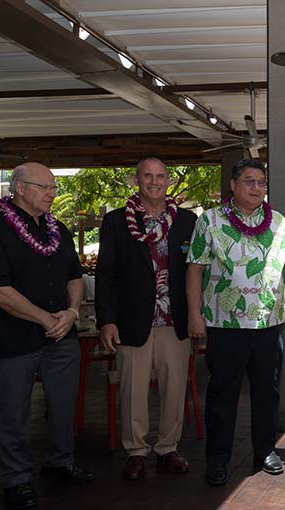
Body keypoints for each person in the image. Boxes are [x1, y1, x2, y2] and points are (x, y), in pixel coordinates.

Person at [0, 163, 95, 510]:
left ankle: (59, 463)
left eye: (53, 188)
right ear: (19, 189)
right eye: (44, 187)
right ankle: (15, 481)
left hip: (61, 335)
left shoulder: (56, 229)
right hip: (14, 339)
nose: (51, 193)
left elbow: (75, 277)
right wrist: (45, 318)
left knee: (64, 405)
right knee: (13, 412)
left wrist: (72, 313)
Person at [186, 158, 285, 486]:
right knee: (222, 394)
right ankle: (218, 459)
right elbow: (195, 267)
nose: (257, 188)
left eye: (261, 183)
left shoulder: (278, 222)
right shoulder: (210, 221)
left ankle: (265, 450)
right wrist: (195, 315)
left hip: (269, 325)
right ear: (233, 186)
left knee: (268, 392)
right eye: (249, 182)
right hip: (225, 325)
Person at [95, 157, 197, 480]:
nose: (154, 182)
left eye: (160, 176)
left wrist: (197, 314)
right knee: (132, 391)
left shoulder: (187, 221)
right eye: (147, 176)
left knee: (174, 388)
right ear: (136, 180)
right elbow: (105, 274)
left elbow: (198, 272)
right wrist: (106, 320)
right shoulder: (115, 222)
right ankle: (136, 451)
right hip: (131, 321)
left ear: (168, 180)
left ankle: (168, 448)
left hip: (174, 320)